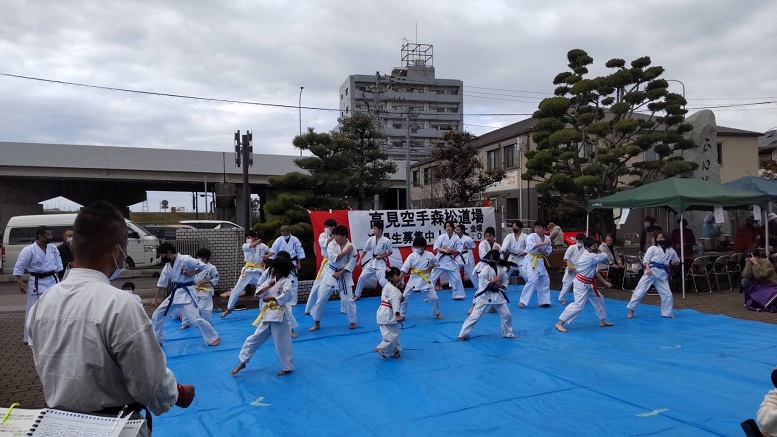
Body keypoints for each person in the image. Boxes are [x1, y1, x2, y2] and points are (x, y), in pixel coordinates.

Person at [26, 201, 194, 436]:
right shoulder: (120, 304)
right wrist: (178, 394)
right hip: (115, 426)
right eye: (124, 250)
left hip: (58, 424)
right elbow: (149, 384)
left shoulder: (43, 303)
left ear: (74, 245)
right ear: (117, 251)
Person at [231, 256, 296, 376]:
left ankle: (287, 367)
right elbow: (257, 294)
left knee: (282, 342)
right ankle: (243, 361)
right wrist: (267, 286)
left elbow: (287, 295)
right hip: (268, 315)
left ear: (280, 269)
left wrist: (273, 298)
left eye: (274, 268)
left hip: (279, 316)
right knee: (254, 338)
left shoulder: (286, 281)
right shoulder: (270, 280)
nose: (272, 270)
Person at [151, 242, 221, 346]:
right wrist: (155, 299)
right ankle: (159, 339)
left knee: (195, 319)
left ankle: (213, 336)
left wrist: (191, 273)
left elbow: (203, 266)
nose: (162, 259)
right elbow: (162, 283)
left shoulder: (186, 259)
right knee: (157, 315)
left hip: (187, 292)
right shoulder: (167, 265)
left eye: (162, 256)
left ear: (169, 252)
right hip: (176, 293)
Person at [555, 236, 614, 333]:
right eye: (594, 246)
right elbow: (604, 256)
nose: (596, 247)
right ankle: (560, 323)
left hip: (588, 283)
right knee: (579, 305)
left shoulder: (590, 255)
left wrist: (605, 282)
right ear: (587, 247)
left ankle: (602, 320)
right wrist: (599, 249)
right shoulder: (589, 256)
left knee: (599, 298)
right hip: (581, 284)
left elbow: (594, 272)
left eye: (596, 245)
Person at [14, 225, 62, 344]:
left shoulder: (53, 249)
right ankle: (29, 337)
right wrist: (20, 282)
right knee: (33, 310)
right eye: (48, 235)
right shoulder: (29, 250)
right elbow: (19, 267)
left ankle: (53, 335)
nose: (50, 237)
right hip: (37, 282)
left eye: (51, 234)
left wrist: (61, 281)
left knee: (54, 308)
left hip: (52, 280)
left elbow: (59, 266)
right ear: (40, 236)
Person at [458, 250, 515, 341]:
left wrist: (500, 285)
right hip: (484, 294)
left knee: (506, 314)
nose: (490, 262)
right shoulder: (485, 269)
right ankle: (462, 334)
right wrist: (494, 280)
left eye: (492, 260)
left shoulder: (501, 270)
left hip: (496, 294)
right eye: (489, 260)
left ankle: (508, 333)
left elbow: (505, 280)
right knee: (475, 316)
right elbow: (482, 283)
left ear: (497, 260)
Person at [309, 225, 358, 332]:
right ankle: (316, 323)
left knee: (348, 300)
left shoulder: (352, 248)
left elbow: (351, 264)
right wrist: (345, 252)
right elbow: (333, 258)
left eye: (337, 235)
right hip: (330, 274)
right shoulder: (331, 244)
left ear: (344, 236)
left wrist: (341, 272)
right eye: (334, 235)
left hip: (344, 276)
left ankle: (352, 322)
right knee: (321, 298)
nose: (335, 237)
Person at [626, 231, 680, 319]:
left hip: (662, 274)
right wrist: (648, 269)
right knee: (639, 291)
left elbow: (676, 260)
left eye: (662, 237)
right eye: (658, 238)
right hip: (651, 271)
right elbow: (646, 260)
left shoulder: (670, 250)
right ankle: (631, 311)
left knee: (667, 294)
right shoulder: (652, 248)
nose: (660, 239)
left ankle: (667, 313)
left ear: (666, 238)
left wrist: (675, 262)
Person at [222, 230, 271, 318]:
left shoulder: (262, 246)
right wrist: (256, 241)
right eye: (247, 238)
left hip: (258, 271)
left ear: (254, 237)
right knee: (236, 290)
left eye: (249, 237)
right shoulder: (245, 246)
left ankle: (263, 310)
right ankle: (229, 309)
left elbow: (272, 251)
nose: (248, 239)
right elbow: (251, 245)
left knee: (262, 291)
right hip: (247, 271)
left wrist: (268, 255)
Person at [399, 236, 442, 320]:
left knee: (434, 298)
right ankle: (402, 315)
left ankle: (437, 312)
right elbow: (404, 268)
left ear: (423, 247)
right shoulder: (412, 256)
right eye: (415, 246)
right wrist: (399, 279)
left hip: (426, 279)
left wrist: (432, 266)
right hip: (413, 279)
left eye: (418, 246)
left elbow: (437, 263)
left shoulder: (430, 255)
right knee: (404, 297)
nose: (416, 248)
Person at [305, 218, 337, 315]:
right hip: (326, 263)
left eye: (328, 227)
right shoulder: (323, 235)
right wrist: (333, 236)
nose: (326, 228)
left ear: (333, 227)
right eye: (325, 227)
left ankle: (345, 309)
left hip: (336, 263)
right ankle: (308, 308)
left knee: (342, 286)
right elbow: (324, 243)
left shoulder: (339, 236)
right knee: (317, 285)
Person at [354, 221, 393, 300]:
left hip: (381, 262)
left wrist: (382, 256)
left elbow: (390, 252)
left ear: (380, 230)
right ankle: (357, 295)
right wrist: (359, 260)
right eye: (373, 229)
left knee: (383, 282)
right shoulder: (371, 239)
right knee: (362, 277)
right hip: (372, 262)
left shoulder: (386, 240)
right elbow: (364, 250)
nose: (373, 230)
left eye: (375, 229)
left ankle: (391, 294)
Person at [181, 248, 219, 330]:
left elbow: (216, 279)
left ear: (206, 258)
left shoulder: (212, 267)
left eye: (201, 258)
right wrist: (186, 273)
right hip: (195, 289)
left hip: (206, 291)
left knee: (205, 309)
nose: (199, 259)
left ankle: (207, 324)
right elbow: (190, 276)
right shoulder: (195, 267)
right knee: (188, 305)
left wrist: (206, 281)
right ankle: (185, 323)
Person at [269, 225, 306, 307]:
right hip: (281, 262)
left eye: (285, 233)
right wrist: (274, 264)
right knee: (281, 281)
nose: (284, 235)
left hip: (292, 262)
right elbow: (273, 251)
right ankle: (281, 300)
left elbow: (299, 252)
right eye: (282, 233)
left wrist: (299, 264)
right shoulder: (278, 240)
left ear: (289, 232)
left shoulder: (295, 239)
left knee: (294, 283)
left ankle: (293, 302)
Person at [519, 221, 553, 308]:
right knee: (533, 279)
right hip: (531, 260)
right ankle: (522, 301)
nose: (537, 230)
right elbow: (531, 246)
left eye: (539, 228)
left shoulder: (547, 238)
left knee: (544, 279)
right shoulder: (531, 236)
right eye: (536, 228)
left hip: (540, 260)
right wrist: (543, 243)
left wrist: (543, 251)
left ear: (544, 229)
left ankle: (544, 301)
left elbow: (548, 252)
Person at [375, 267, 405, 359]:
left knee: (393, 332)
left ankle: (396, 351)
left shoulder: (388, 286)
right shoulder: (393, 289)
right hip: (388, 313)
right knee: (393, 334)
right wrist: (398, 314)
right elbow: (395, 301)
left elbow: (397, 298)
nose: (399, 277)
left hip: (383, 312)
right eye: (397, 275)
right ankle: (381, 347)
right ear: (391, 277)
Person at [430, 221, 465, 300]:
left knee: (456, 277)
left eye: (449, 226)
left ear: (452, 228)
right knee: (432, 277)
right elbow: (435, 248)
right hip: (441, 259)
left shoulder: (456, 238)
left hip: (450, 259)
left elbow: (460, 250)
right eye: (446, 226)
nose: (448, 228)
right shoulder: (441, 237)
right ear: (445, 228)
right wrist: (444, 250)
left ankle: (458, 295)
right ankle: (428, 295)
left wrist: (452, 250)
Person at [558, 233, 586, 305]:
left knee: (581, 285)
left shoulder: (585, 249)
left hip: (580, 269)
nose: (580, 243)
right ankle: (562, 298)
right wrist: (570, 266)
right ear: (576, 240)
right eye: (579, 241)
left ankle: (580, 299)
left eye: (582, 241)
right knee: (567, 283)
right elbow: (566, 258)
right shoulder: (571, 247)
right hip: (570, 267)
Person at [455, 224, 479, 289]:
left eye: (458, 230)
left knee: (471, 272)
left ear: (462, 230)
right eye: (456, 230)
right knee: (454, 271)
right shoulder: (454, 238)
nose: (456, 231)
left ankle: (478, 286)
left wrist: (467, 247)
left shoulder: (468, 239)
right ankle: (454, 287)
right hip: (458, 256)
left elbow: (474, 247)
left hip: (466, 256)